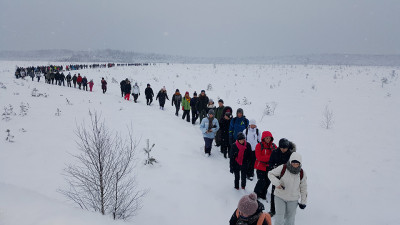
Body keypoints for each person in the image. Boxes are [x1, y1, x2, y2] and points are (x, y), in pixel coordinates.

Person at [268, 152, 307, 225]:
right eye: (293, 163)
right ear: (290, 161)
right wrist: (277, 183)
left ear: (300, 164)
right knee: (279, 218)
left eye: (297, 164)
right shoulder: (283, 167)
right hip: (280, 196)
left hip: (293, 199)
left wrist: (303, 201)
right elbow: (270, 174)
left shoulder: (302, 173)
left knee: (290, 220)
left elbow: (303, 188)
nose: (295, 165)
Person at [267, 138, 296, 216]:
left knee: (286, 194)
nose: (283, 150)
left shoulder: (291, 154)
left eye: (285, 148)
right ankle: (272, 210)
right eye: (282, 148)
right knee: (274, 193)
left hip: (287, 177)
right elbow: (270, 163)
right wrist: (273, 167)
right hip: (276, 177)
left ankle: (285, 210)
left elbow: (295, 166)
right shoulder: (275, 152)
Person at [253, 131, 277, 201]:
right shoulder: (259, 146)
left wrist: (268, 158)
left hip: (269, 167)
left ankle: (263, 194)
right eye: (266, 138)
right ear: (263, 138)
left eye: (269, 138)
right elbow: (259, 157)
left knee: (268, 181)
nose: (268, 139)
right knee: (261, 181)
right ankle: (255, 194)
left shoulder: (273, 146)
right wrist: (271, 157)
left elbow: (277, 155)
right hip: (260, 166)